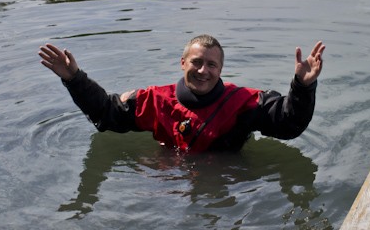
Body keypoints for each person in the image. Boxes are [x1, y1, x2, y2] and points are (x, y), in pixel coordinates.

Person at [38, 34, 325, 153]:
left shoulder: (244, 103)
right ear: (183, 63)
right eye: (197, 63)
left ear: (221, 69)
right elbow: (106, 114)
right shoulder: (154, 100)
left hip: (229, 181)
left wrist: (302, 86)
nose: (203, 71)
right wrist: (74, 78)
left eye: (211, 65)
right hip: (167, 182)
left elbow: (289, 125)